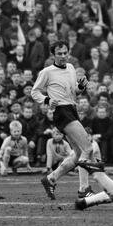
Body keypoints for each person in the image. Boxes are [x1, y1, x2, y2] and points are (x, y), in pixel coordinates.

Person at [31, 40, 103, 200]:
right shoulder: (47, 72)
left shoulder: (71, 68)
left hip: (71, 109)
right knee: (88, 148)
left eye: (65, 53)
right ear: (53, 55)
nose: (63, 56)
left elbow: (74, 92)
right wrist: (48, 100)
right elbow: (34, 92)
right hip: (61, 111)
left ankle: (51, 178)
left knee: (78, 153)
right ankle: (84, 189)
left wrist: (82, 86)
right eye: (59, 53)